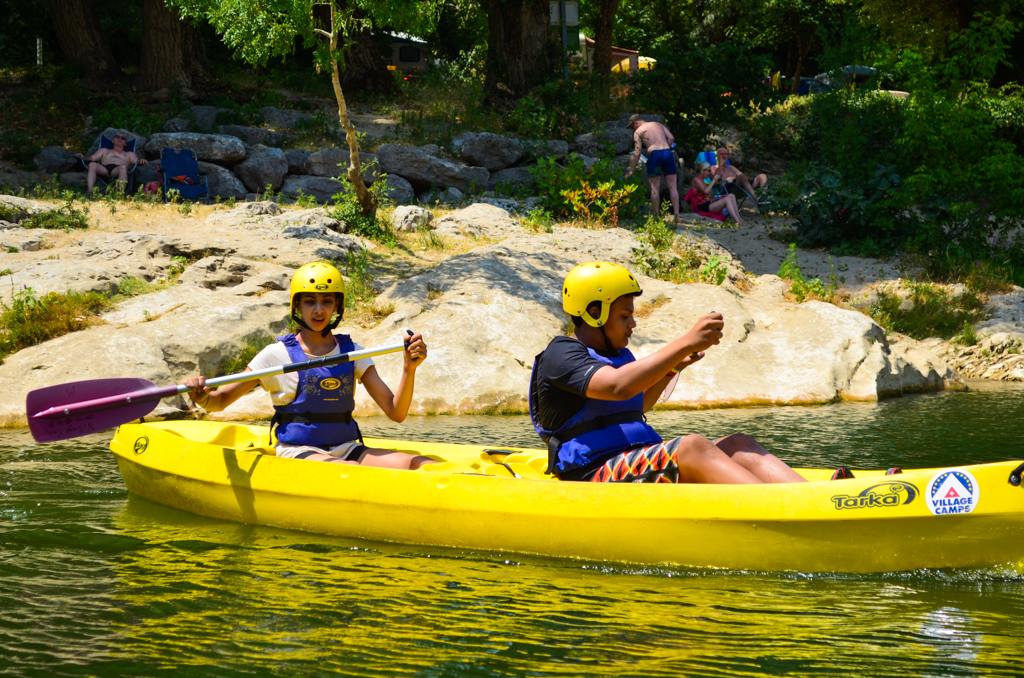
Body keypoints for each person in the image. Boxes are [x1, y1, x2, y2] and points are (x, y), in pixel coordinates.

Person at [529, 261, 807, 484]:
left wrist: (674, 367)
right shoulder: (561, 353)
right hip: (591, 474)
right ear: (593, 312)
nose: (632, 324)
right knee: (692, 446)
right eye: (624, 316)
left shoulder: (616, 356)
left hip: (634, 460)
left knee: (738, 443)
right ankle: (782, 508)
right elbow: (617, 388)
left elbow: (636, 404)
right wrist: (685, 341)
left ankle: (813, 496)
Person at [184, 262, 435, 470]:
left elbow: (396, 413)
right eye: (309, 302)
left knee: (421, 464)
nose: (319, 310)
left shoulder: (353, 353)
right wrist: (201, 396)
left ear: (336, 306)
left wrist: (409, 369)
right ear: (297, 306)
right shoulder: (275, 355)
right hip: (298, 451)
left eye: (327, 301)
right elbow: (218, 401)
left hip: (346, 447)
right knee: (348, 470)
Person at [625, 114, 680, 222]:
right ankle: (677, 216)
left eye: (632, 127)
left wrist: (631, 170)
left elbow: (638, 152)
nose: (633, 130)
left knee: (655, 188)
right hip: (667, 153)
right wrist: (666, 148)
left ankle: (656, 217)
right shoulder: (658, 124)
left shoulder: (638, 131)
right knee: (673, 187)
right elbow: (671, 138)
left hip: (655, 155)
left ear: (636, 123)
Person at [74, 132, 148, 194]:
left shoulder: (129, 154)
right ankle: (90, 193)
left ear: (125, 144)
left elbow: (136, 160)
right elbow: (92, 158)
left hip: (118, 170)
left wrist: (141, 160)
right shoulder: (104, 150)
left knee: (123, 167)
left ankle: (120, 194)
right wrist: (83, 157)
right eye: (117, 137)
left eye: (123, 138)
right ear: (112, 141)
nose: (120, 139)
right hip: (104, 169)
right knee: (92, 164)